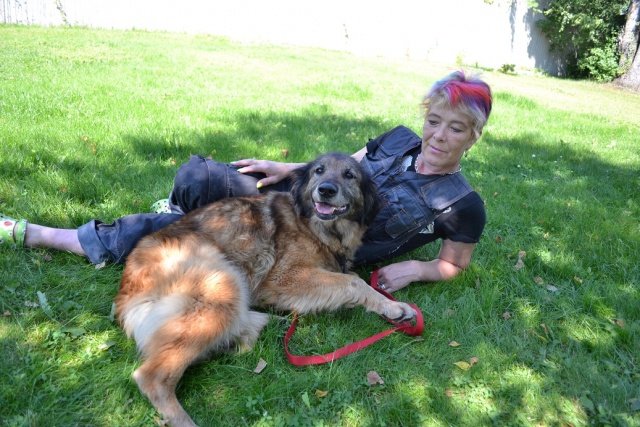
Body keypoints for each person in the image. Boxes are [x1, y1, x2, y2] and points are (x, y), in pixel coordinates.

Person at [1, 70, 492, 293]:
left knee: (188, 231)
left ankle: (56, 236)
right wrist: (288, 170)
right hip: (293, 205)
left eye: (456, 129)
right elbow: (340, 169)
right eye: (434, 121)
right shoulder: (400, 138)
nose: (438, 136)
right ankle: (177, 217)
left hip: (318, 245)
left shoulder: (462, 203)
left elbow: (454, 264)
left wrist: (417, 269)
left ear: (473, 136)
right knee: (199, 175)